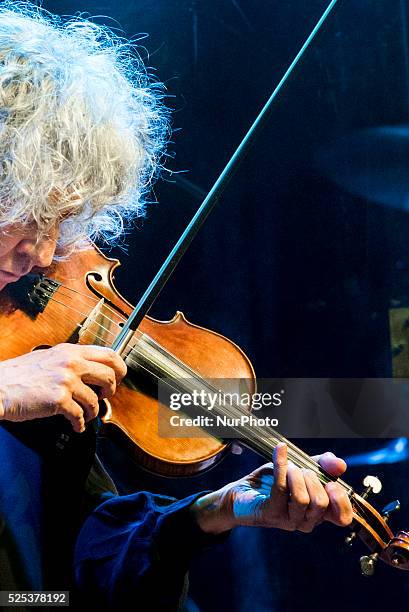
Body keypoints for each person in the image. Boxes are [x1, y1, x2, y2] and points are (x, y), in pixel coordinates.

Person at [0, 3, 353, 610]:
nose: (48, 251)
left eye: (67, 221)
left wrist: (209, 515)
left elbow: (69, 574)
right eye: (31, 213)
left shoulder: (41, 360)